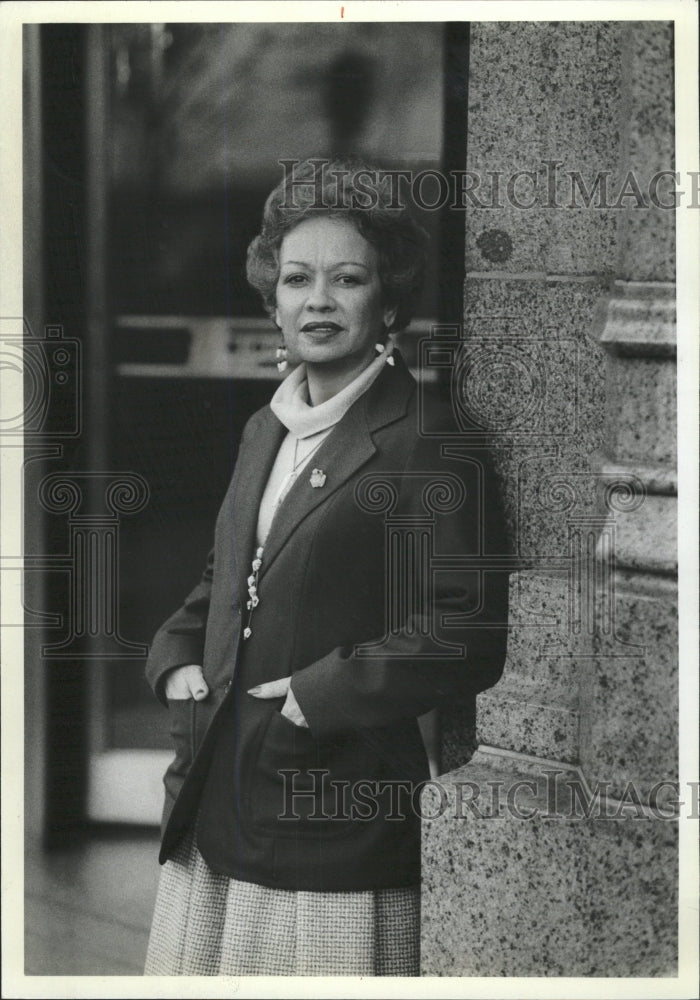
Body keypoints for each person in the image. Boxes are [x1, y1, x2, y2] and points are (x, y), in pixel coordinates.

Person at [144, 158, 509, 977]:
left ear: (388, 300)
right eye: (297, 279)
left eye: (346, 279)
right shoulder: (264, 428)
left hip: (330, 816)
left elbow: (467, 632)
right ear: (271, 298)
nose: (317, 300)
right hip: (217, 796)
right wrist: (175, 658)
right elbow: (228, 571)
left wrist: (319, 695)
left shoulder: (429, 438)